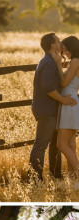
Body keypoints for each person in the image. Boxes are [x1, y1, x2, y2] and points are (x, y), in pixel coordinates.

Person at [30, 32, 77, 181]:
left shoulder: (53, 61)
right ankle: (36, 179)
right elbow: (49, 87)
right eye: (58, 42)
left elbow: (61, 83)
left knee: (59, 144)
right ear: (52, 45)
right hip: (50, 108)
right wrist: (62, 99)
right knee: (47, 144)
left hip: (60, 107)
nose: (61, 45)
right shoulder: (49, 62)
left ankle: (56, 176)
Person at [54, 36, 79, 183]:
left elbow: (63, 81)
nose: (64, 52)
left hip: (69, 105)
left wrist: (58, 64)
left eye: (65, 49)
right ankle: (74, 182)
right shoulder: (74, 62)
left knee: (61, 144)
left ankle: (77, 171)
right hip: (71, 103)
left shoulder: (75, 61)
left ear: (72, 47)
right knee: (70, 145)